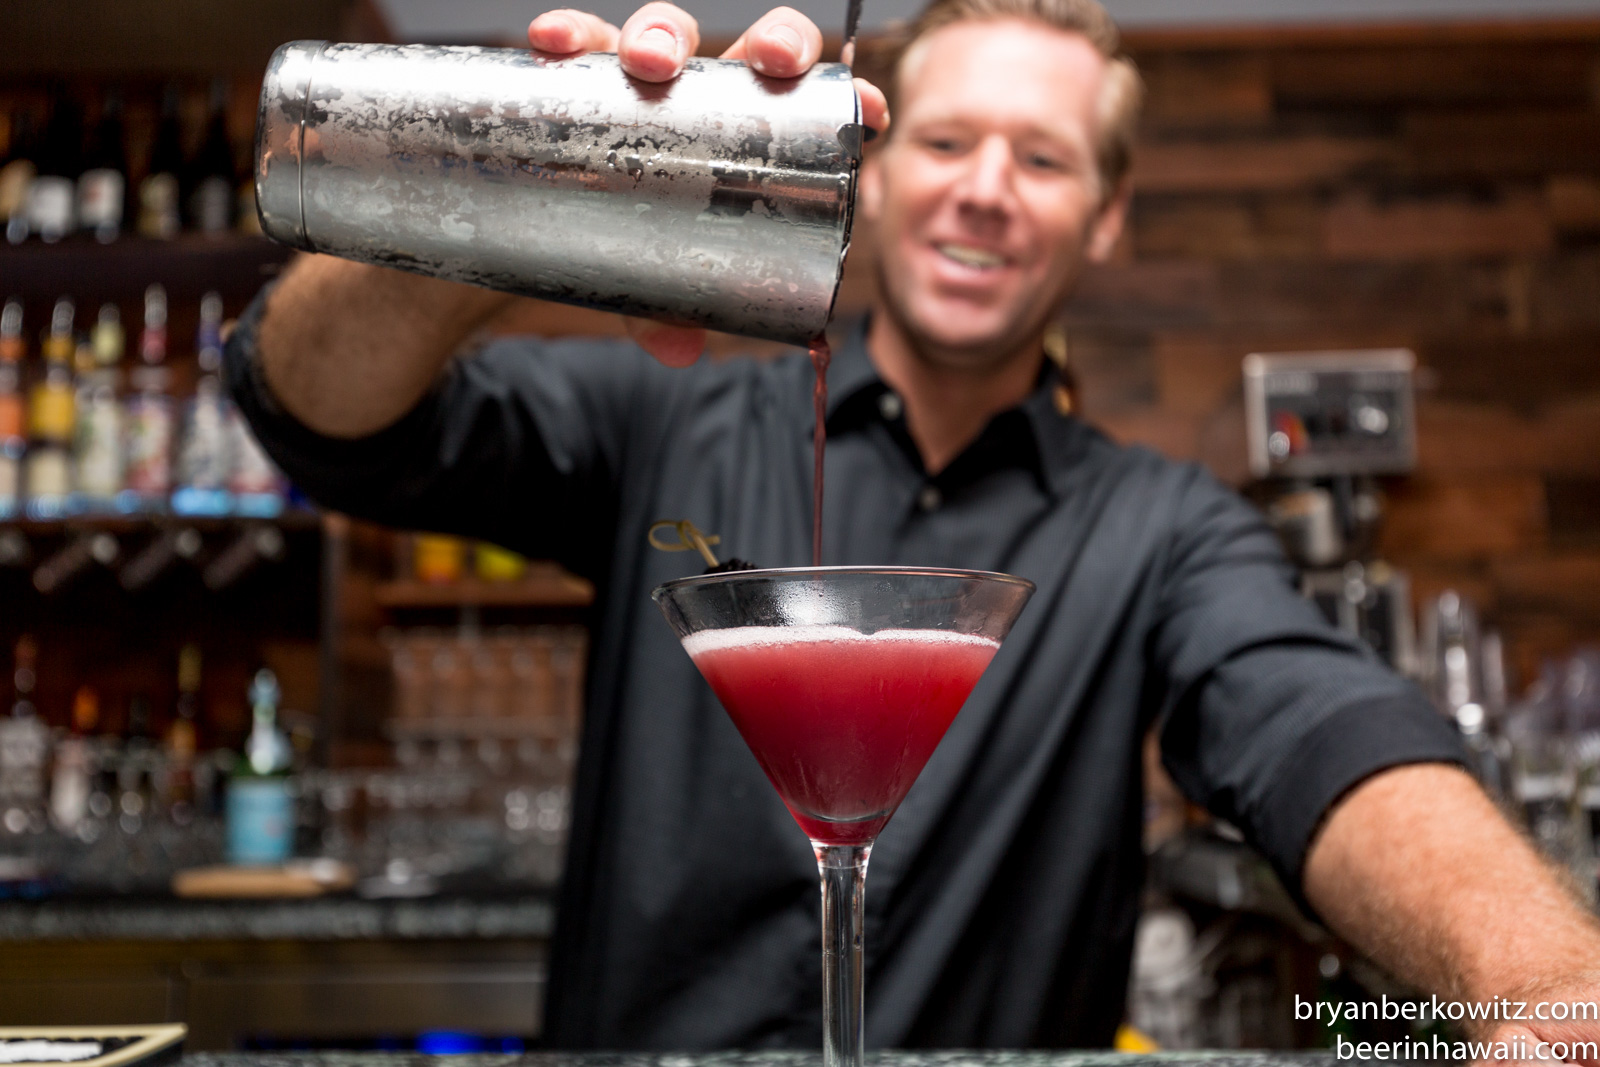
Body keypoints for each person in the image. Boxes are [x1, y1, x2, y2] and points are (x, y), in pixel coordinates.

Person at [225, 0, 1600, 1053]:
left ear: (1107, 217)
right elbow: (318, 415)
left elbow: (1320, 729)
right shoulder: (665, 419)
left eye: (1044, 158)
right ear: (869, 172)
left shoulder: (1160, 528)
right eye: (945, 141)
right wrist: (510, 176)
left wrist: (1543, 988)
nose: (986, 186)